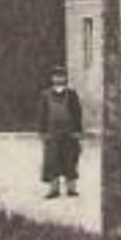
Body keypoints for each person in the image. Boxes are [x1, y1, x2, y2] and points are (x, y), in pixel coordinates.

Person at [38, 65, 82, 199]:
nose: (59, 79)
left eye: (62, 76)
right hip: (52, 133)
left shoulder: (72, 94)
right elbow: (42, 114)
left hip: (69, 133)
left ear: (66, 78)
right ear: (52, 78)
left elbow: (77, 113)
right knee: (52, 161)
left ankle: (71, 188)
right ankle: (54, 189)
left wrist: (77, 130)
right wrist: (43, 131)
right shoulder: (45, 95)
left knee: (70, 160)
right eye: (56, 76)